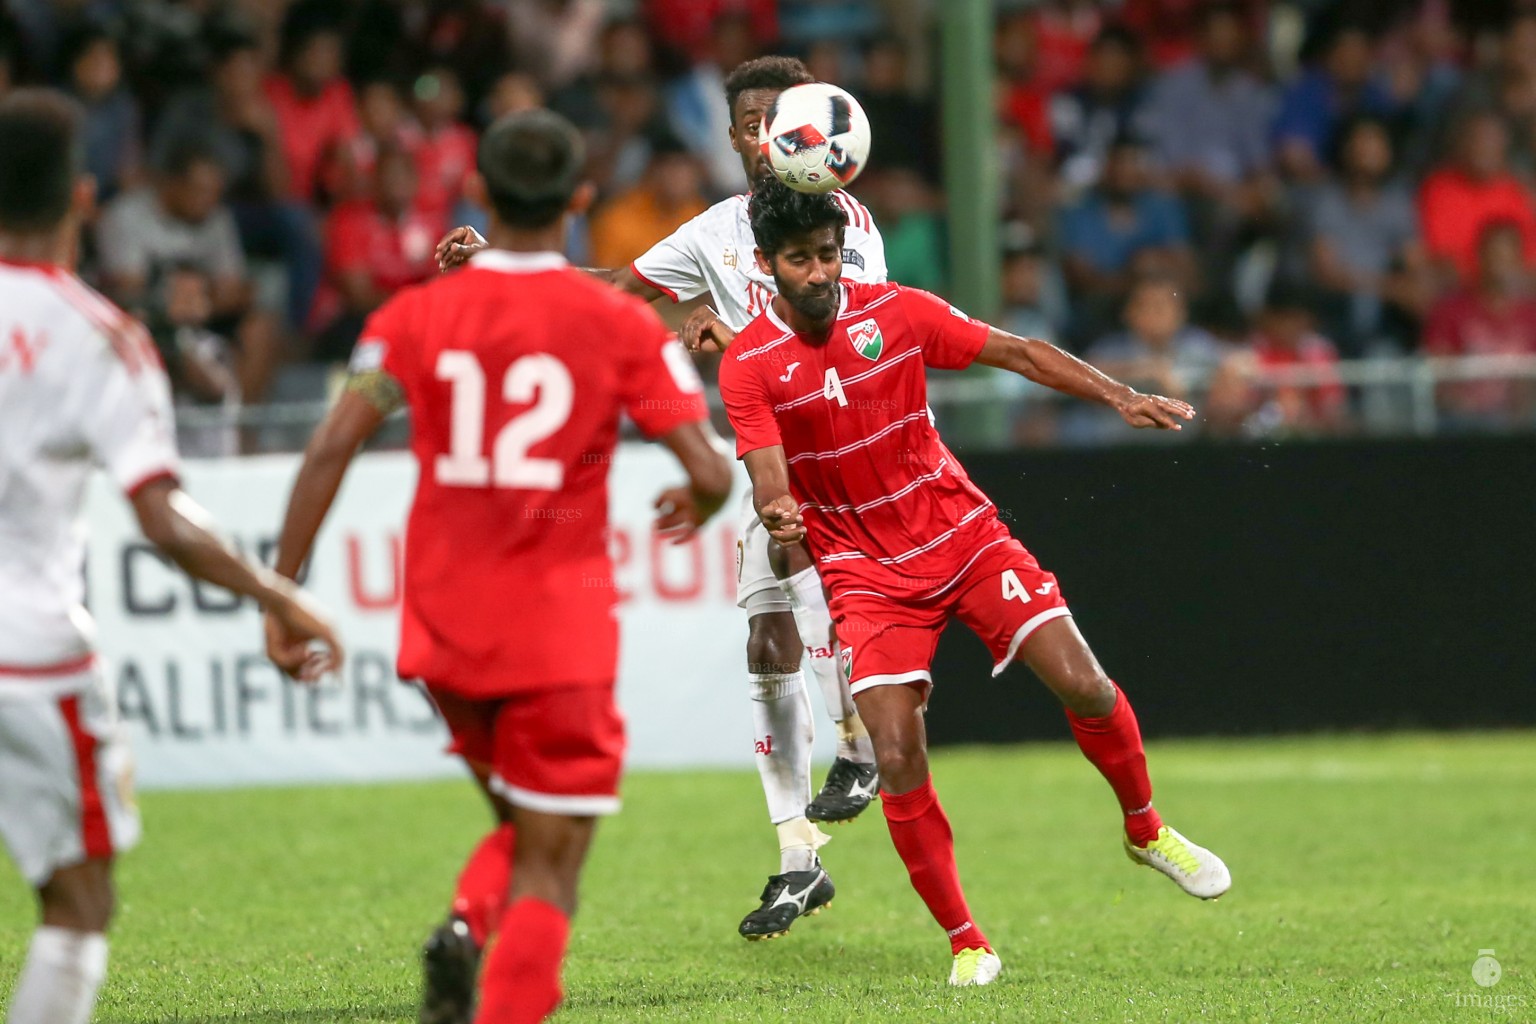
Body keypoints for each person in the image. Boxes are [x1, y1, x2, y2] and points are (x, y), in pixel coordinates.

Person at [266, 109, 733, 1024]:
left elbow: (329, 448)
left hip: (440, 627)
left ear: (479, 190)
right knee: (556, 859)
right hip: (556, 630)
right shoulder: (618, 324)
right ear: (581, 199)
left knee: (525, 831)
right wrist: (704, 500)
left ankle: (467, 931)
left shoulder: (410, 316)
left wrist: (282, 594)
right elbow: (710, 468)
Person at [718, 178, 1232, 986]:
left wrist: (1120, 395)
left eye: (826, 255)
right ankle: (968, 941)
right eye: (799, 260)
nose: (819, 274)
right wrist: (780, 510)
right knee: (895, 751)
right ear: (766, 265)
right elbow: (768, 473)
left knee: (1086, 685)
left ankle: (1146, 829)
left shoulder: (897, 311)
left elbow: (1020, 352)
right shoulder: (749, 363)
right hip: (863, 570)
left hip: (963, 536)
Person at [439, 56, 889, 942]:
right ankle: (799, 858)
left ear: (813, 128)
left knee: (812, 584)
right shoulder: (715, 231)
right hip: (768, 455)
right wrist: (508, 265)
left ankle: (860, 746)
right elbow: (615, 291)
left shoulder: (846, 221)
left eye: (781, 121)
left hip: (849, 447)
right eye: (751, 124)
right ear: (731, 138)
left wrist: (738, 342)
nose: (768, 138)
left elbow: (848, 335)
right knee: (764, 641)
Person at [0, 89, 342, 1024]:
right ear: (81, 198)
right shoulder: (101, 336)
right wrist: (281, 595)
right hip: (27, 658)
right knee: (77, 906)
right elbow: (163, 518)